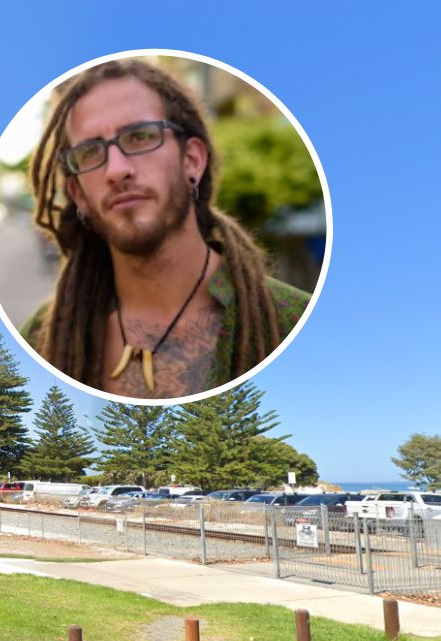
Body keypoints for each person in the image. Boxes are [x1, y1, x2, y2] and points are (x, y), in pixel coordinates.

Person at [22, 59, 311, 399]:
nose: (116, 170)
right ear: (78, 195)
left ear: (191, 161)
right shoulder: (42, 340)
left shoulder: (291, 323)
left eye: (140, 136)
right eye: (89, 153)